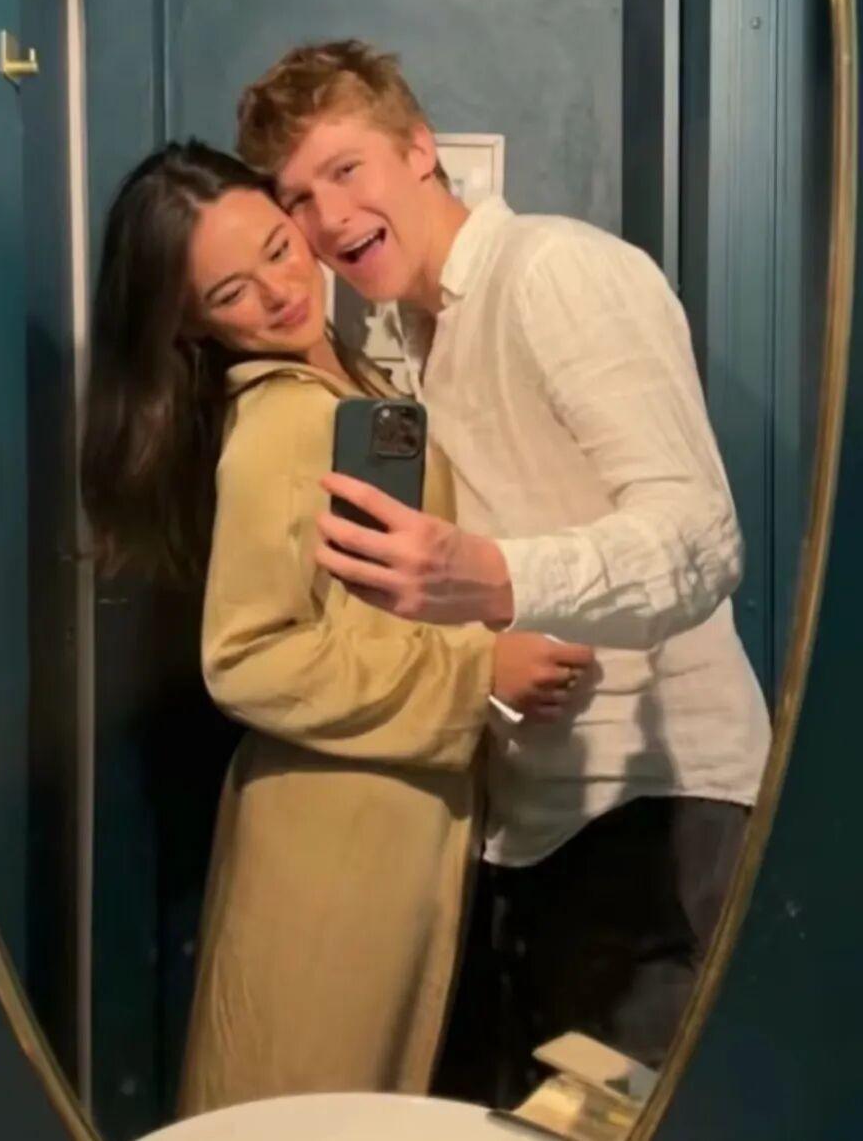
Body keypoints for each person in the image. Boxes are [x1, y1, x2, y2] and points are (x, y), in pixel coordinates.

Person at [235, 41, 773, 1102]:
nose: (326, 216)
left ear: (419, 149)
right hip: (532, 830)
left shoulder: (554, 271)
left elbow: (702, 539)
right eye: (297, 195)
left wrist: (492, 577)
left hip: (658, 817)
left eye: (346, 168)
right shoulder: (411, 342)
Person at [80, 141, 592, 1117]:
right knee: (302, 1110)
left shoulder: (351, 388)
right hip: (331, 847)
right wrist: (479, 671)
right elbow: (249, 656)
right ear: (190, 321)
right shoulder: (283, 423)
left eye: (278, 248)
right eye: (231, 291)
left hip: (382, 829)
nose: (280, 292)